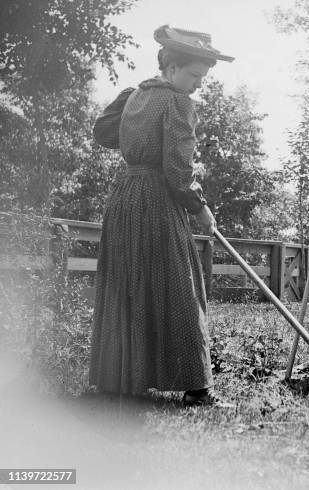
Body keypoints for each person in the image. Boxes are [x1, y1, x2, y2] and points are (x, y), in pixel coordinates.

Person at [89, 26, 234, 407]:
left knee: (129, 285)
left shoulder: (136, 94)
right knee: (179, 287)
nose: (198, 85)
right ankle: (197, 388)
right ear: (171, 68)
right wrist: (199, 207)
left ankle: (118, 380)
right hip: (157, 198)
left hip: (124, 197)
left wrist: (133, 109)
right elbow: (177, 168)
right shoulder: (178, 103)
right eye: (193, 76)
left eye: (203, 78)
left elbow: (103, 132)